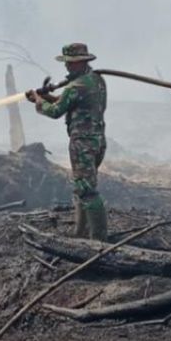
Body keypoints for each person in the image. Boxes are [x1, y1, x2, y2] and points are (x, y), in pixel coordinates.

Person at [25, 43, 109, 241]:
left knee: (87, 191)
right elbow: (70, 102)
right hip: (97, 140)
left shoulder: (76, 85)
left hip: (82, 143)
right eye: (67, 64)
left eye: (71, 63)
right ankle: (80, 233)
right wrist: (46, 97)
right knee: (82, 187)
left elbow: (55, 111)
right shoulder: (96, 80)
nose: (67, 67)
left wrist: (39, 100)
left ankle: (99, 241)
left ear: (81, 62)